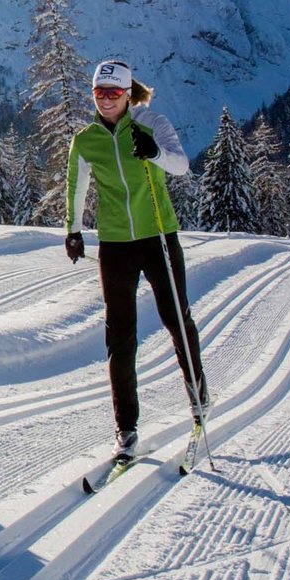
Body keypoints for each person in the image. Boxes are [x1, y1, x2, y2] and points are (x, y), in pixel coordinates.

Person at [63, 59, 208, 460]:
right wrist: (73, 229)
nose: (106, 100)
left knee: (176, 318)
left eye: (113, 93)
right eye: (99, 93)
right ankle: (126, 428)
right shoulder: (86, 139)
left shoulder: (152, 124)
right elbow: (76, 185)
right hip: (115, 244)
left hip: (158, 235)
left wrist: (155, 152)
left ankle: (198, 397)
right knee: (120, 335)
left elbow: (181, 166)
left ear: (128, 94)